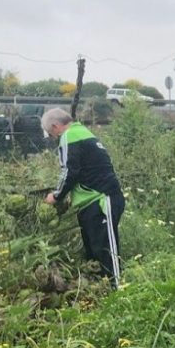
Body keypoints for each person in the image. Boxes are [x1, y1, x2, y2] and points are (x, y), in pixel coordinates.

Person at [40, 108, 125, 287]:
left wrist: (57, 196)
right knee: (93, 253)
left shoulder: (69, 135)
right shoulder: (81, 132)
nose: (52, 137)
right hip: (90, 201)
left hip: (102, 199)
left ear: (55, 126)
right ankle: (101, 293)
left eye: (50, 133)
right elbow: (85, 171)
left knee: (106, 252)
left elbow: (70, 171)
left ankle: (119, 293)